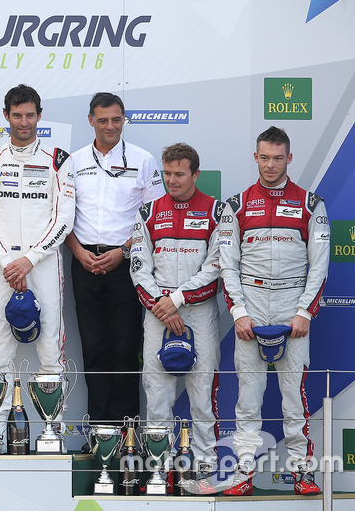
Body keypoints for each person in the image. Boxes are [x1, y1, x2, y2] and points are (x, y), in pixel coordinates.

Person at [220, 126, 329, 497]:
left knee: (293, 400)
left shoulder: (311, 203)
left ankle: (302, 473)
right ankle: (244, 474)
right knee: (247, 400)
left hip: (291, 309)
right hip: (251, 307)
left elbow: (320, 266)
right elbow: (227, 265)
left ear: (289, 158)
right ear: (255, 157)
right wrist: (238, 312)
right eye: (264, 157)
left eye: (278, 158)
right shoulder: (235, 204)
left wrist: (304, 313)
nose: (271, 165)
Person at [0, 84, 75, 435]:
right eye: (17, 115)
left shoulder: (59, 160)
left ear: (39, 116)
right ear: (6, 117)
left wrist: (29, 260)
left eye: (30, 115)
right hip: (2, 267)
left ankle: (52, 433)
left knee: (50, 351)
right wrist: (6, 262)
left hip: (43, 266)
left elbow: (64, 220)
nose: (24, 122)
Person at [65, 92, 165, 426]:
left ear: (124, 120)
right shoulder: (74, 161)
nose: (111, 126)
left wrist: (122, 252)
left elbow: (155, 217)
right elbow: (62, 216)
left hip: (126, 264)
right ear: (91, 120)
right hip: (83, 263)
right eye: (103, 120)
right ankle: (99, 430)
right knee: (93, 348)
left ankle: (127, 432)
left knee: (125, 347)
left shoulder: (143, 159)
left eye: (117, 120)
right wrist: (79, 253)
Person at [129, 143, 222, 493]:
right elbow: (139, 266)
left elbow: (216, 267)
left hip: (198, 313)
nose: (172, 180)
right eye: (167, 173)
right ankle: (159, 473)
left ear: (195, 174)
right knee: (157, 395)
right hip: (157, 314)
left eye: (179, 174)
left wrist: (177, 300)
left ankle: (203, 473)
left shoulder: (217, 211)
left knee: (201, 397)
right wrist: (162, 304)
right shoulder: (149, 211)